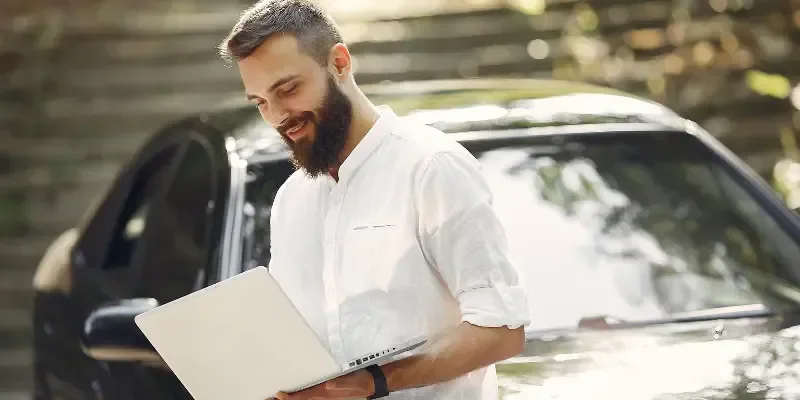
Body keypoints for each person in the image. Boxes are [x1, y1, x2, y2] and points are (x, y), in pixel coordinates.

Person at [218, 1, 531, 398]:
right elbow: (293, 344)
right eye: (261, 101)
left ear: (339, 63)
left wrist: (375, 382)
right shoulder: (291, 200)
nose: (278, 115)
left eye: (288, 89)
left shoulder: (432, 168)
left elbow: (502, 331)